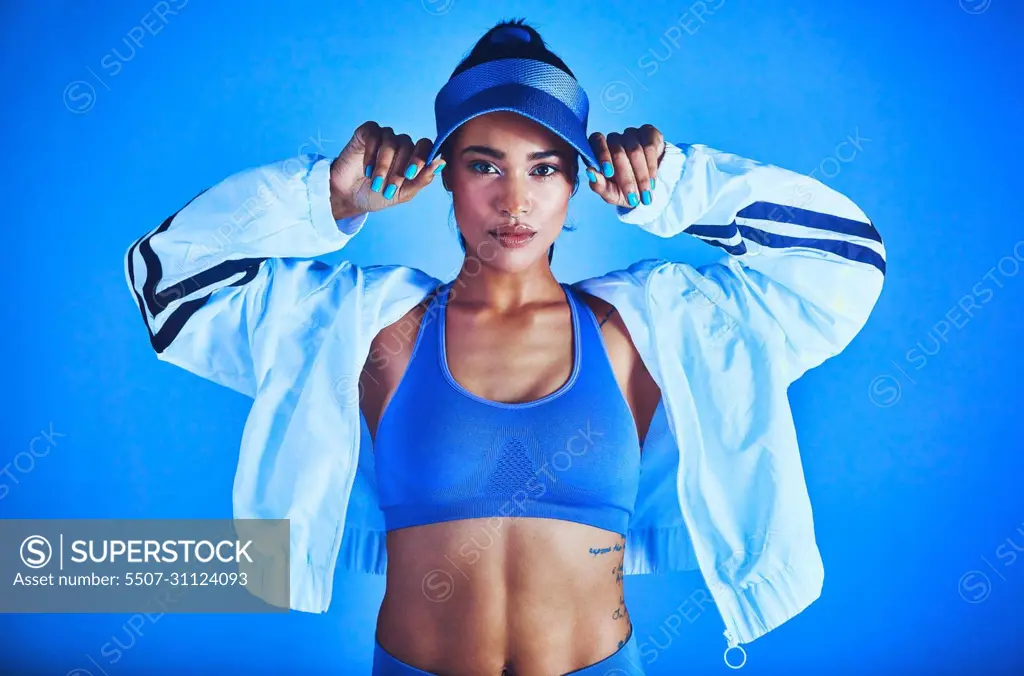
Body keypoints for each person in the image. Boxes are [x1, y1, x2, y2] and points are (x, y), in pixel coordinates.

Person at [123, 18, 886, 676]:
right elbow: (169, 283)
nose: (514, 201)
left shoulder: (651, 330)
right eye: (485, 165)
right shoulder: (364, 329)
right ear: (444, 176)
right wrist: (326, 196)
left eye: (545, 168)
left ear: (580, 182)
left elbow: (844, 262)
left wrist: (683, 185)